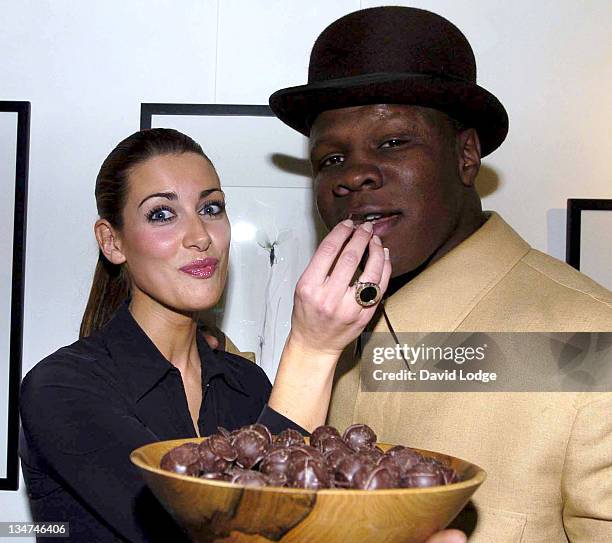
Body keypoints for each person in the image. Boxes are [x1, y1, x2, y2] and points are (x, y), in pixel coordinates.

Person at [269, 6, 612, 543]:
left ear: (466, 155)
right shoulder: (334, 333)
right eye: (330, 160)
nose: (353, 175)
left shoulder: (591, 342)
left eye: (392, 143)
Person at [18, 128, 394, 542]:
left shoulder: (246, 385)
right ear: (112, 241)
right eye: (162, 214)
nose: (200, 236)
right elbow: (217, 531)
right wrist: (312, 350)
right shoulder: (61, 387)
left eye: (212, 208)